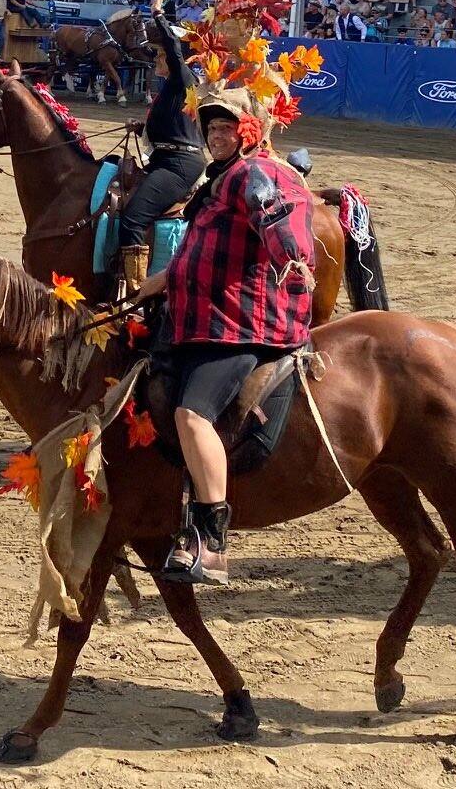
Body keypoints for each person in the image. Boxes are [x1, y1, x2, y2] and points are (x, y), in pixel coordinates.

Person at [135, 82, 315, 585]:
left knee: (192, 416)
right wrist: (152, 286)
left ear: (249, 131)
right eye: (211, 127)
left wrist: (294, 260)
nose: (215, 135)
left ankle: (211, 539)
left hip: (240, 326)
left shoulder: (255, 174)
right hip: (204, 321)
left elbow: (277, 219)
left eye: (225, 126)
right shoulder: (225, 176)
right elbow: (200, 254)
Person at [117, 0, 206, 294]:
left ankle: (137, 291)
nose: (156, 58)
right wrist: (141, 127)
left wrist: (158, 10)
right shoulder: (173, 87)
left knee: (132, 220)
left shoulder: (185, 79)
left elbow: (172, 43)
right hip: (168, 158)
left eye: (159, 55)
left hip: (178, 165)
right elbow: (171, 127)